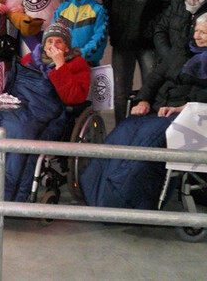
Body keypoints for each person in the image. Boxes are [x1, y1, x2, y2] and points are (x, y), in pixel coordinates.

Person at [0, 20, 90, 202]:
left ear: (67, 46)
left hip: (44, 112)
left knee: (19, 131)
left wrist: (60, 66)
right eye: (49, 41)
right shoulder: (30, 59)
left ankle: (7, 197)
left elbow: (74, 97)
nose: (53, 46)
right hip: (17, 105)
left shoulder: (77, 65)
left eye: (59, 42)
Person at [81, 14, 207, 210]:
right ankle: (96, 188)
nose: (198, 36)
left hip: (185, 116)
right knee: (123, 131)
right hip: (158, 110)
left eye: (204, 33)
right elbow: (155, 78)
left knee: (147, 142)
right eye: (197, 31)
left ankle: (123, 200)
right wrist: (144, 99)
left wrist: (181, 108)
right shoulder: (180, 51)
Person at [102, 0, 177, 125]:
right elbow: (107, 2)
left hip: (148, 44)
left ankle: (147, 132)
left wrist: (151, 32)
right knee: (120, 93)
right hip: (121, 41)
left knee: (151, 90)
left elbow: (169, 11)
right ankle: (121, 131)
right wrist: (113, 29)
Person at [52, 0, 108, 66]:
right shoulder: (62, 9)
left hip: (88, 65)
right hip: (63, 63)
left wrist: (78, 54)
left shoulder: (98, 10)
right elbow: (53, 35)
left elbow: (99, 40)